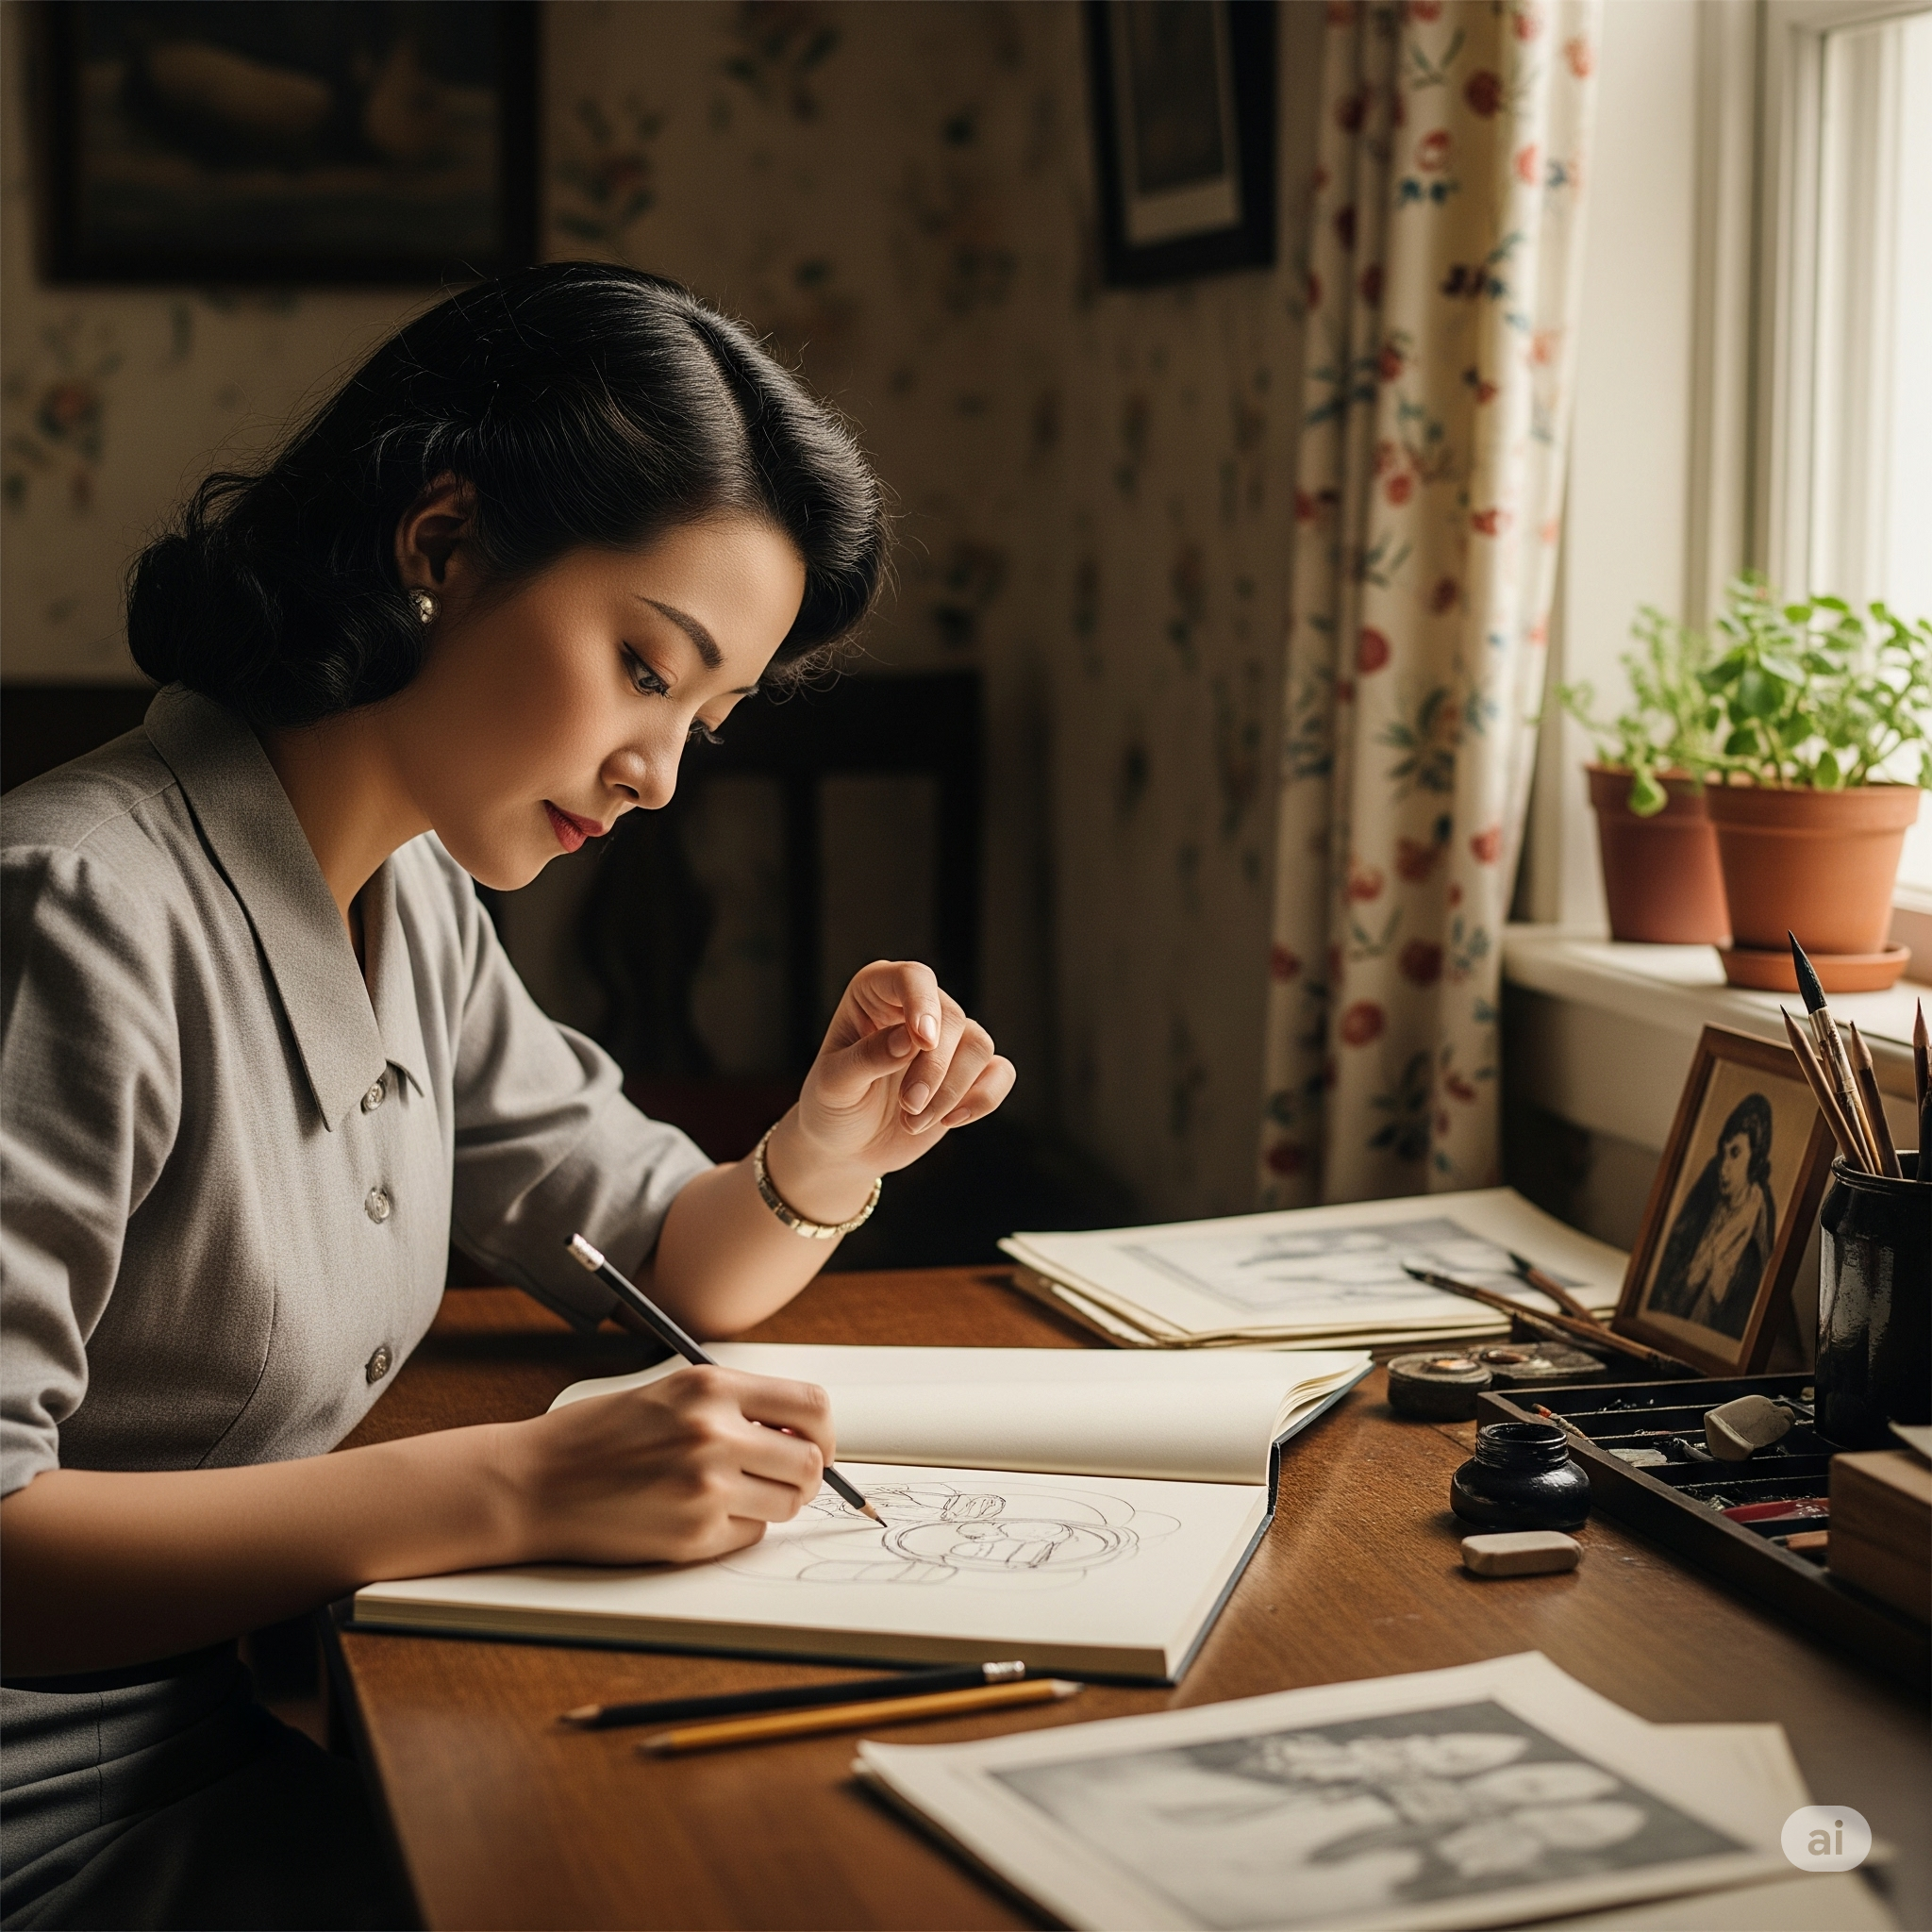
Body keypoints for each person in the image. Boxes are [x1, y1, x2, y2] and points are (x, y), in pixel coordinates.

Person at [0, 262, 1013, 1929]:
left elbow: (671, 1255)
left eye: (706, 718)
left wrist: (832, 1139)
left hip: (233, 1752)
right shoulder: (77, 909)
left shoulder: (414, 905)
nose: (658, 774)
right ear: (441, 544)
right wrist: (520, 1484)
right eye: (644, 667)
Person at [1643, 1093, 1776, 1339]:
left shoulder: (1754, 1239)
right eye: (1723, 1153)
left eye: (1735, 1153)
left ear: (1755, 1157)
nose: (1724, 1167)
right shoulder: (1707, 1198)